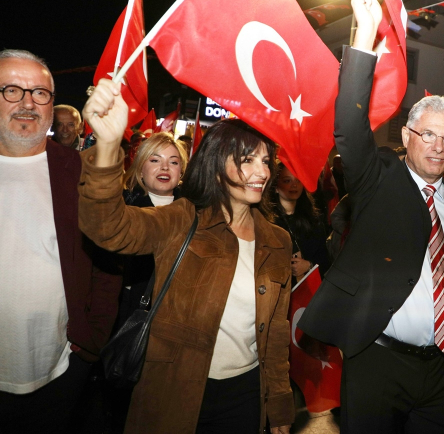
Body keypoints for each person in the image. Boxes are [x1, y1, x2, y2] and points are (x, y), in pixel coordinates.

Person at [298, 0, 444, 434]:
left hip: (441, 369)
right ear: (406, 137)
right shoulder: (379, 181)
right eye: (428, 135)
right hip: (377, 359)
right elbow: (349, 128)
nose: (438, 147)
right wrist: (363, 37)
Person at [79, 81, 294, 434]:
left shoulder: (278, 241)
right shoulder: (183, 218)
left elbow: (275, 335)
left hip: (245, 395)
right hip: (173, 388)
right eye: (247, 160)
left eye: (266, 161)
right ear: (215, 165)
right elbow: (107, 227)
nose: (263, 172)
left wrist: (281, 410)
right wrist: (106, 144)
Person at [0, 49, 121, 432]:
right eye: (12, 90)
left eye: (39, 93)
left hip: (61, 371)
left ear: (52, 106)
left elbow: (109, 259)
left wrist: (94, 339)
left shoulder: (79, 172)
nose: (27, 103)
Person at [118, 132, 188, 323]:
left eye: (174, 162)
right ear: (140, 169)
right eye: (155, 160)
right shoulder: (121, 209)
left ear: (181, 171)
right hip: (129, 311)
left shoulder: (195, 214)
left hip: (179, 313)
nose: (165, 167)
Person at [270, 161, 331, 278]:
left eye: (298, 180)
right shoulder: (267, 222)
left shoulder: (314, 219)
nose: (294, 185)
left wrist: (309, 265)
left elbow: (325, 259)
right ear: (276, 187)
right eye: (287, 181)